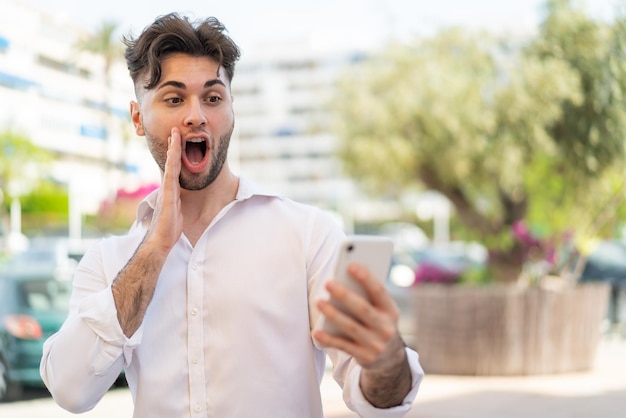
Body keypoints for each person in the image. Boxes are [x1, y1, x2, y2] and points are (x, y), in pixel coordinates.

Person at [40, 13, 423, 417]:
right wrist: (155, 248)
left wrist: (386, 360)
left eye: (212, 97)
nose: (196, 116)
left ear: (231, 108)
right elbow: (70, 391)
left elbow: (378, 399)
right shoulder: (108, 262)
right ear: (138, 118)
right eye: (174, 98)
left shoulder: (308, 235)